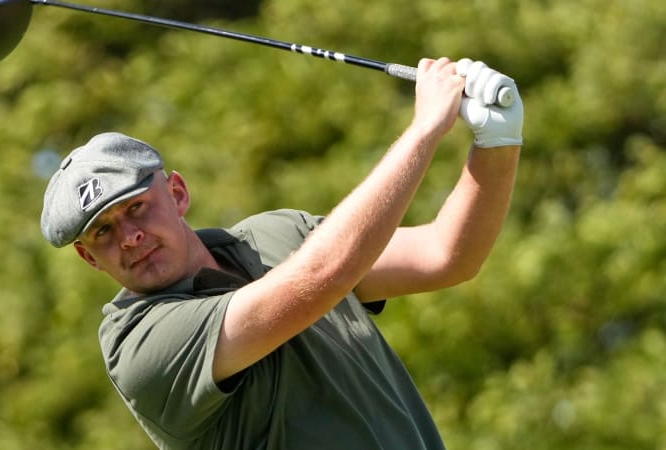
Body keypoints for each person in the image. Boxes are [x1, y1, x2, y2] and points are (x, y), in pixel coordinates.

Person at [40, 57, 523, 449]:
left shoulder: (277, 233)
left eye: (136, 208)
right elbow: (321, 276)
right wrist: (424, 131)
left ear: (179, 193)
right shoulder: (139, 344)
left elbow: (446, 254)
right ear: (89, 258)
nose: (128, 236)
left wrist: (497, 142)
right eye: (103, 232)